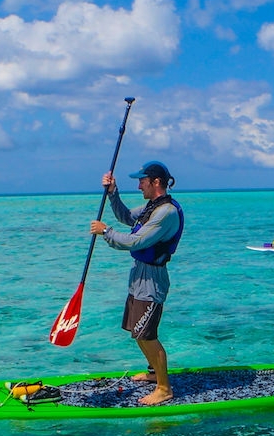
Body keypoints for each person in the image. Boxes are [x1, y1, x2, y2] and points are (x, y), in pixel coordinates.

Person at [89, 160, 184, 406]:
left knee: (147, 334)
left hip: (152, 279)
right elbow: (125, 217)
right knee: (137, 332)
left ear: (156, 182)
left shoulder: (166, 212)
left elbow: (135, 242)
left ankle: (164, 389)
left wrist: (105, 232)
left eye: (142, 180)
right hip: (138, 276)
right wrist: (113, 194)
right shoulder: (151, 207)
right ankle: (154, 373)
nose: (139, 185)